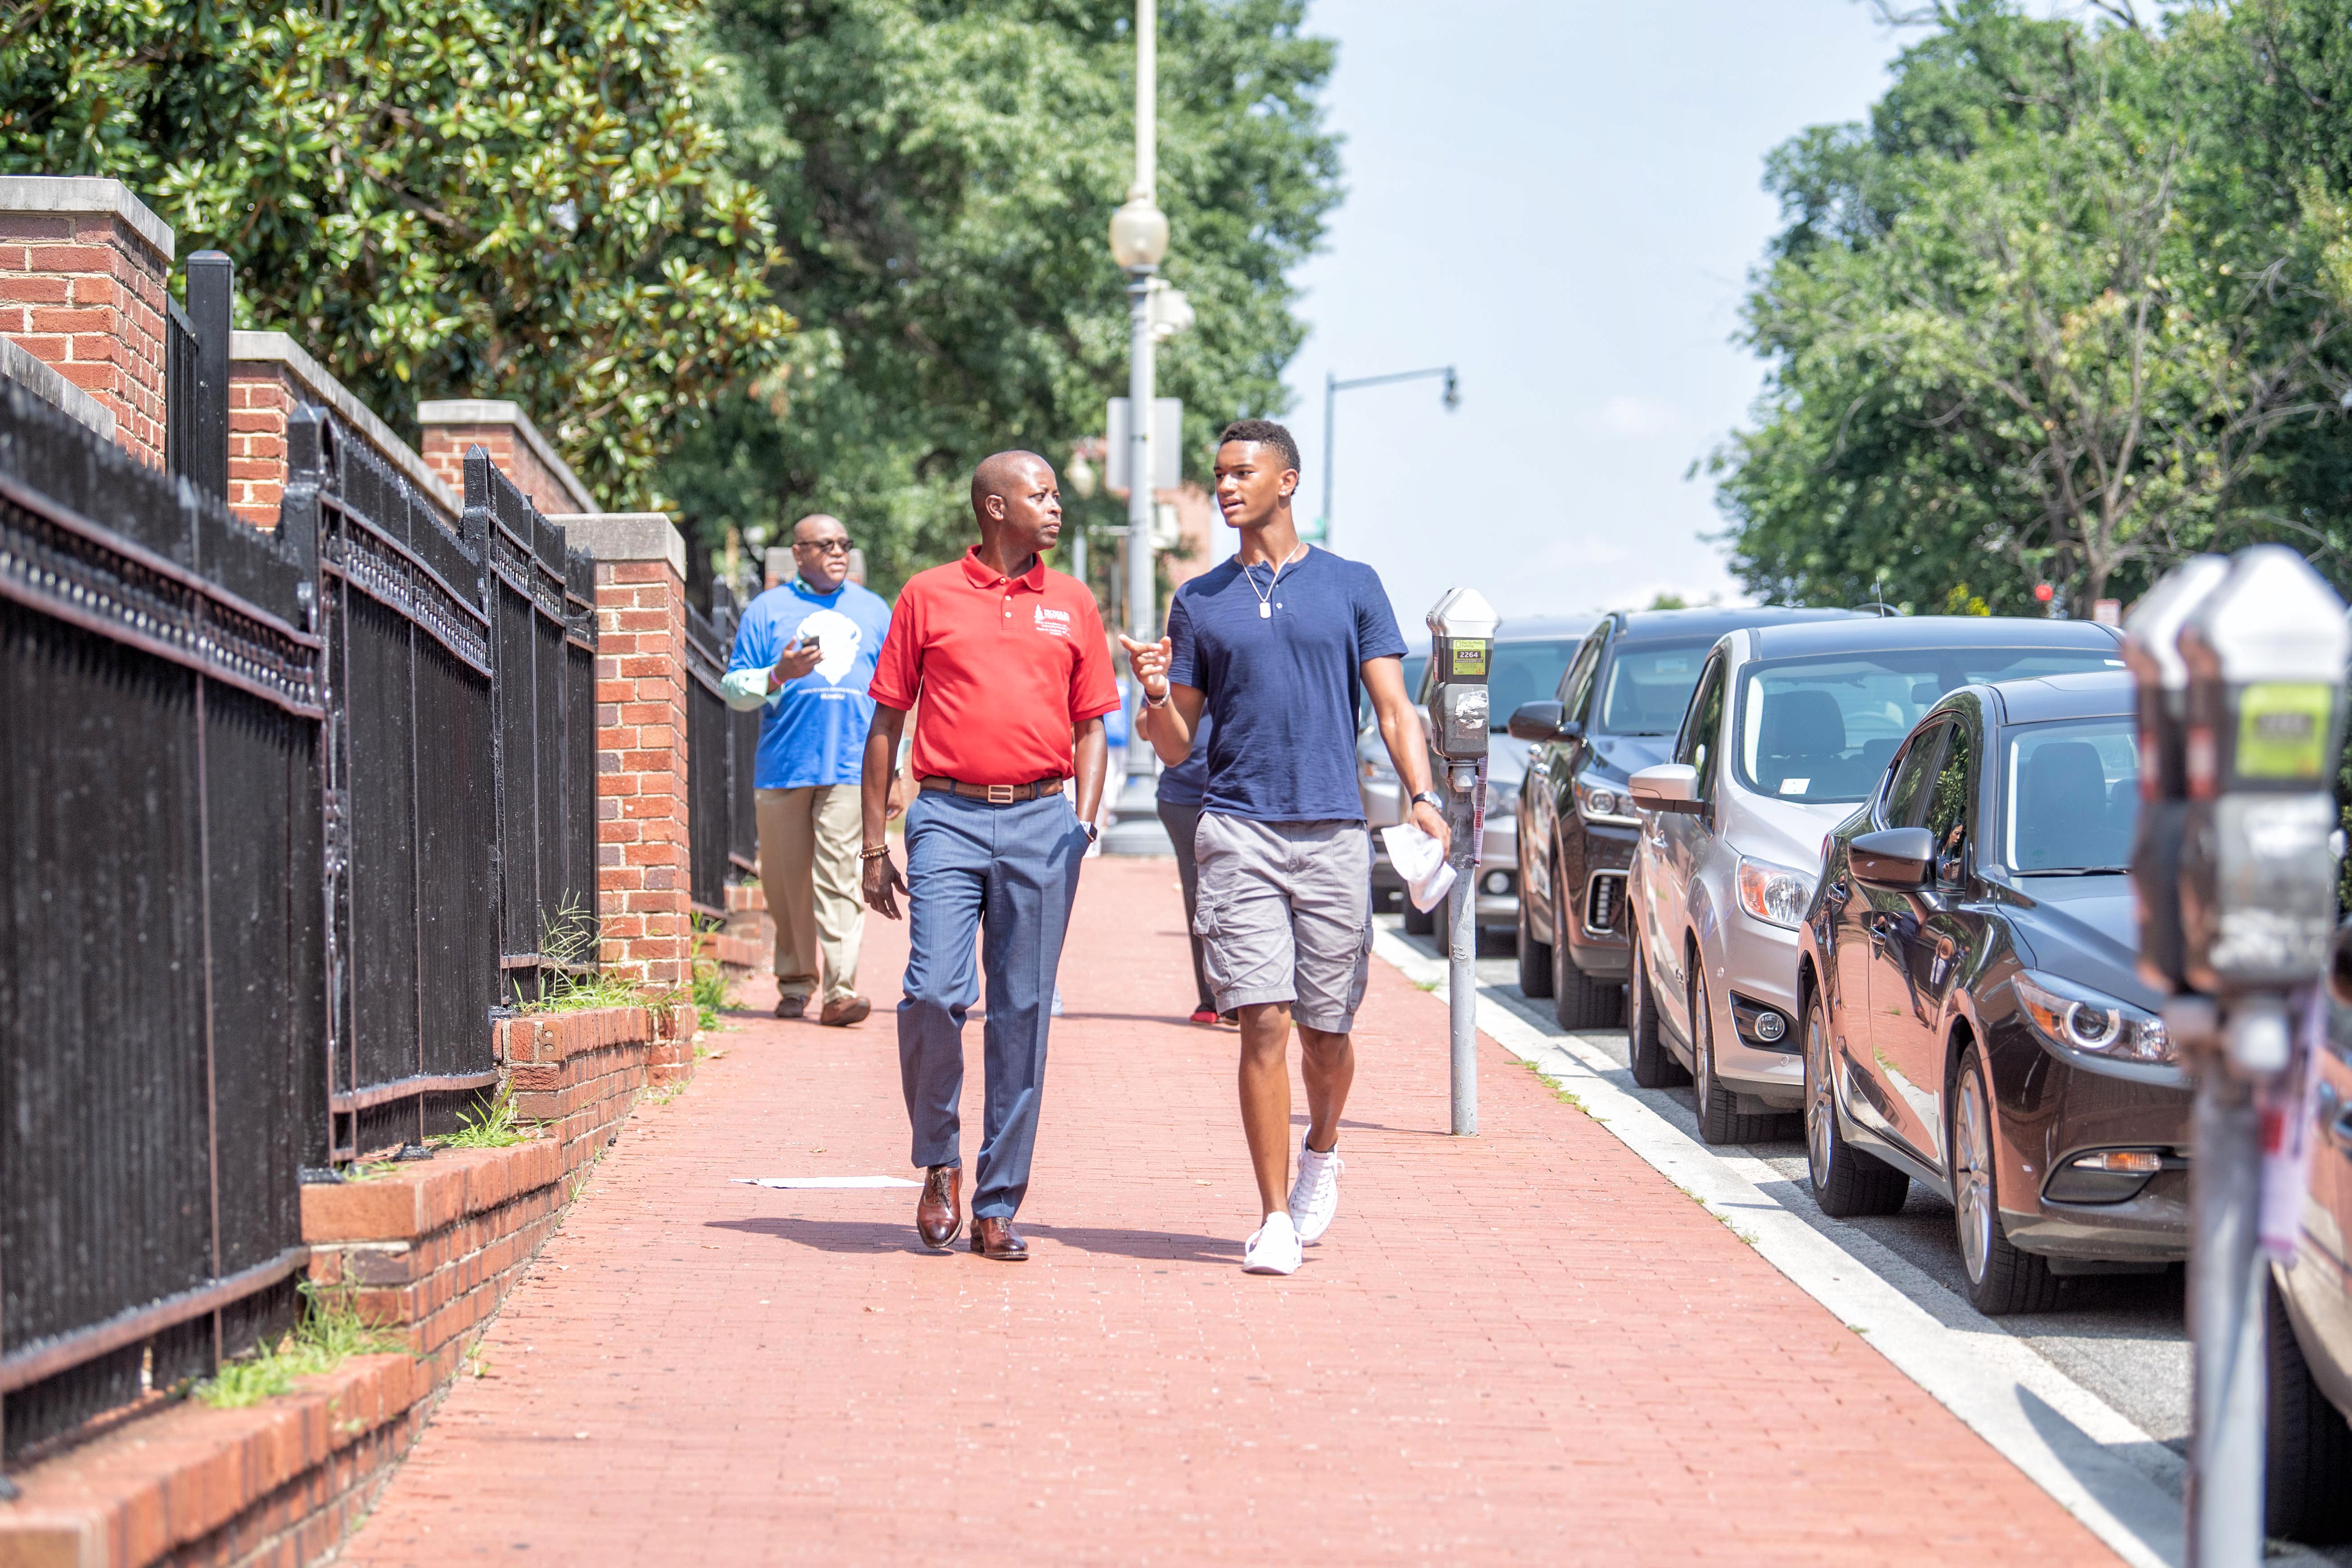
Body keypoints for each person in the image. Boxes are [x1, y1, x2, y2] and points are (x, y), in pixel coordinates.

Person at [1123, 418, 1448, 1277]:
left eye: (1243, 473)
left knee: (1326, 1029)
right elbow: (1173, 742)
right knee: (1260, 1018)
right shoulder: (1199, 599)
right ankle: (1272, 1216)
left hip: (1334, 831)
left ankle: (1325, 1146)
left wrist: (1422, 797)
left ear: (1287, 481)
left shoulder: (1351, 585)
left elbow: (1392, 709)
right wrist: (1153, 692)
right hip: (1236, 827)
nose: (1226, 487)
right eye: (1220, 474)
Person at [860, 452, 1118, 1261]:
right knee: (933, 990)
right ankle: (939, 1159)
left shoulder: (1072, 601)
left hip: (1045, 818)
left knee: (1022, 1014)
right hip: (945, 814)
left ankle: (999, 1201)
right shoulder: (927, 594)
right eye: (1039, 495)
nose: (1056, 506)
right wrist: (875, 838)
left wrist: (1082, 825)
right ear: (994, 506)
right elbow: (886, 722)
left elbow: (1092, 727)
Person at [723, 514, 896, 1026]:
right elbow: (733, 690)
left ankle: (841, 990)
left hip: (851, 765)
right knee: (785, 883)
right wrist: (779, 673)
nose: (837, 552)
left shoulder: (873, 610)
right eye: (824, 545)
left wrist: (899, 770)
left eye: (844, 543)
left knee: (842, 875)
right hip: (783, 767)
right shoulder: (767, 611)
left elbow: (894, 698)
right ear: (799, 553)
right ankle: (797, 981)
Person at [1152, 708, 1226, 1025]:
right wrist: (1161, 697)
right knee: (1198, 896)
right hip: (1182, 798)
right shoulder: (1175, 664)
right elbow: (1145, 727)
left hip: (1233, 798)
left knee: (1239, 895)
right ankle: (1210, 998)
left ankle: (1243, 993)